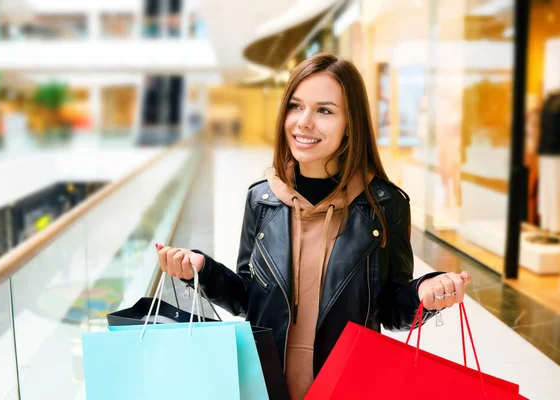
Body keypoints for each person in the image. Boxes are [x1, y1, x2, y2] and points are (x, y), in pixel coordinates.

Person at [156, 53, 471, 400]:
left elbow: (392, 310)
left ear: (351, 123)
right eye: (296, 106)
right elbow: (251, 299)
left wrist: (425, 293)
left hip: (346, 385)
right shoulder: (262, 200)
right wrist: (202, 270)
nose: (303, 122)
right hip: (266, 383)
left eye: (324, 110)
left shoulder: (384, 205)